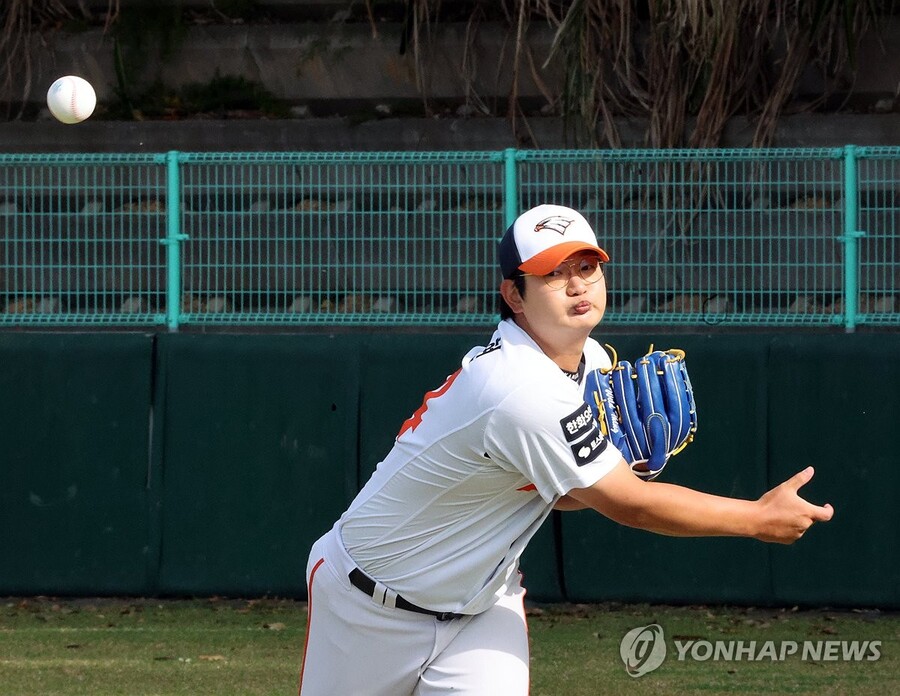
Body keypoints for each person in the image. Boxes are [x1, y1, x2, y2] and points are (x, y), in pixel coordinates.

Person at [297, 203, 834, 696]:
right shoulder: (518, 386)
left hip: (482, 608)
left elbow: (560, 494)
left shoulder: (592, 361)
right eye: (553, 273)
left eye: (587, 267)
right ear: (514, 295)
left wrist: (623, 471)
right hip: (368, 606)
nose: (577, 285)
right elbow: (628, 504)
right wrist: (756, 517)